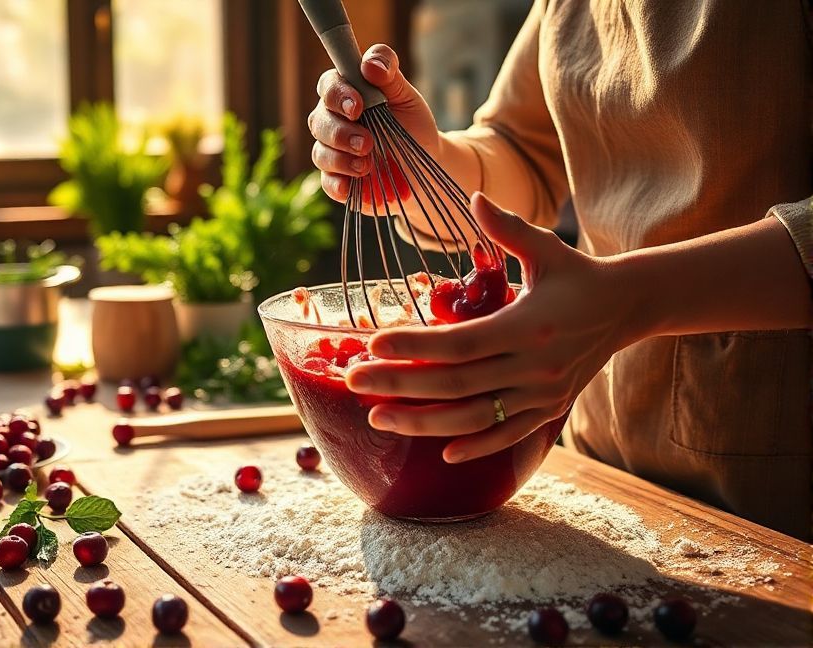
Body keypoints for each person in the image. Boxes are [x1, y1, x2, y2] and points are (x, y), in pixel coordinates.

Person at [307, 0, 812, 539]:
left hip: (774, 499)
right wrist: (425, 161)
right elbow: (525, 152)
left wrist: (628, 302)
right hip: (598, 465)